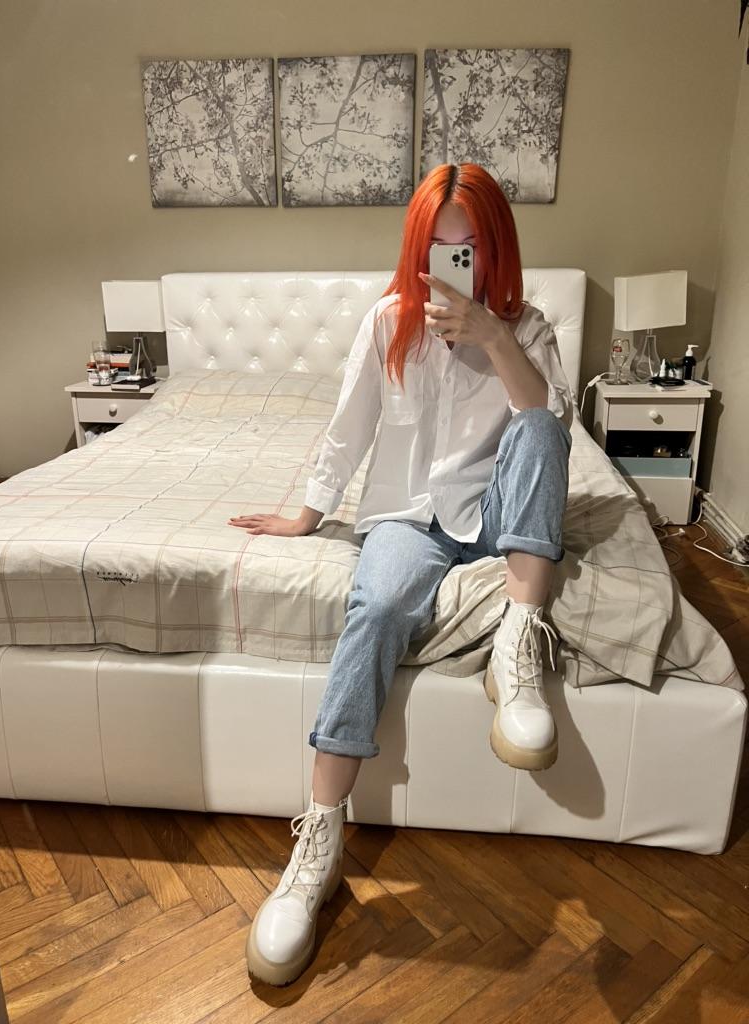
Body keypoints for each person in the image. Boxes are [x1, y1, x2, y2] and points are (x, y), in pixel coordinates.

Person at [229, 162, 573, 987]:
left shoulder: (530, 327)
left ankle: (517, 646)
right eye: (438, 247)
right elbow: (349, 426)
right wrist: (307, 514)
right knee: (378, 606)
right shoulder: (389, 322)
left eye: (470, 247)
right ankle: (318, 838)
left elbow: (549, 427)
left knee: (541, 429)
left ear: (495, 248)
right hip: (408, 517)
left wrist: (493, 336)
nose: (454, 263)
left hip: (498, 516)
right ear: (418, 248)